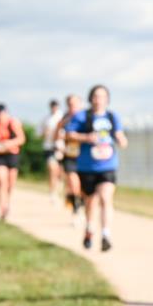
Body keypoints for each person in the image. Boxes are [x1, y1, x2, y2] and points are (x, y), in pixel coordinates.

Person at [66, 85, 127, 252]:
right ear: (91, 98)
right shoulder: (82, 116)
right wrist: (86, 137)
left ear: (107, 99)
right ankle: (89, 228)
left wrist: (122, 140)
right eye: (96, 96)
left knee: (106, 198)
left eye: (102, 96)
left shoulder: (112, 117)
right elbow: (69, 134)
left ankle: (106, 234)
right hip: (87, 166)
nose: (99, 99)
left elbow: (119, 134)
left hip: (108, 165)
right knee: (90, 201)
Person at [0, 104, 26, 221]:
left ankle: (7, 202)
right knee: (1, 181)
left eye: (2, 113)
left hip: (12, 155)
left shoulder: (13, 123)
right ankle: (3, 209)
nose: (1, 116)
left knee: (10, 184)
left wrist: (8, 144)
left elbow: (21, 139)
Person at [56, 94, 85, 223]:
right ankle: (76, 208)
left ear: (80, 104)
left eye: (74, 104)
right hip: (69, 155)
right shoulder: (64, 119)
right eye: (70, 104)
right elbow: (57, 136)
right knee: (73, 183)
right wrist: (60, 144)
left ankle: (81, 204)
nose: (72, 106)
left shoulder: (86, 117)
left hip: (84, 156)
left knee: (83, 185)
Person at [39, 99, 64, 204]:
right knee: (52, 169)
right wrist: (45, 133)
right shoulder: (46, 119)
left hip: (61, 148)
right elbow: (40, 133)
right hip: (49, 147)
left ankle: (58, 190)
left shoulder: (62, 117)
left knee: (60, 172)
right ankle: (52, 193)